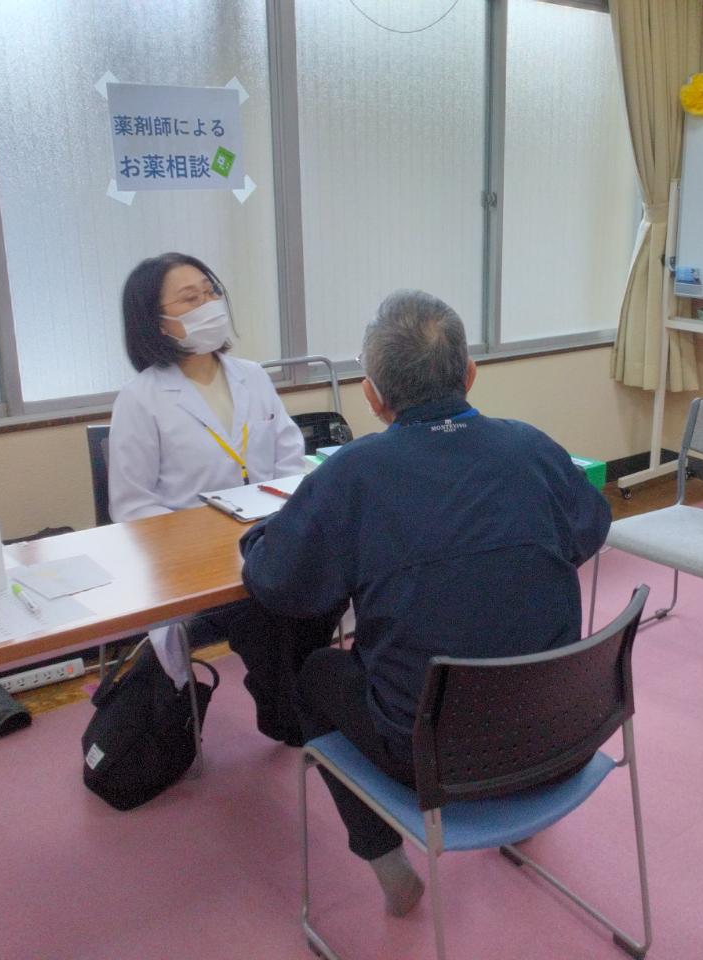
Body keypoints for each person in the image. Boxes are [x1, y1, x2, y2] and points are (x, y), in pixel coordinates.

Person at [239, 289, 611, 916]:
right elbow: (589, 527)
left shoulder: (353, 473)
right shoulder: (532, 449)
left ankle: (385, 859)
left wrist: (261, 539)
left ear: (371, 395)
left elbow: (281, 584)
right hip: (564, 734)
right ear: (470, 374)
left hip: (433, 759)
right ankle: (520, 818)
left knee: (317, 673)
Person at [109, 252, 334, 742]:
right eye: (190, 298)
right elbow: (132, 507)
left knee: (331, 583)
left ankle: (311, 696)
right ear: (157, 322)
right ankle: (287, 712)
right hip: (196, 563)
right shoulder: (140, 399)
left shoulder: (252, 376)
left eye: (210, 292)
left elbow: (290, 459)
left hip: (270, 538)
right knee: (267, 610)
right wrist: (210, 539)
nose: (208, 304)